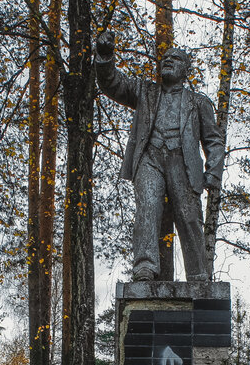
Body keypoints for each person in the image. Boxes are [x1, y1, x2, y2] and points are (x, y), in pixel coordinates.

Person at [94, 31, 225, 282]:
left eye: (175, 59)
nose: (167, 61)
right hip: (150, 158)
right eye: (165, 58)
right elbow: (112, 83)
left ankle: (198, 273)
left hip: (183, 162)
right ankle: (144, 266)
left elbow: (214, 140)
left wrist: (213, 172)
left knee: (189, 216)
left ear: (185, 70)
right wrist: (105, 55)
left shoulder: (198, 102)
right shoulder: (145, 92)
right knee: (147, 209)